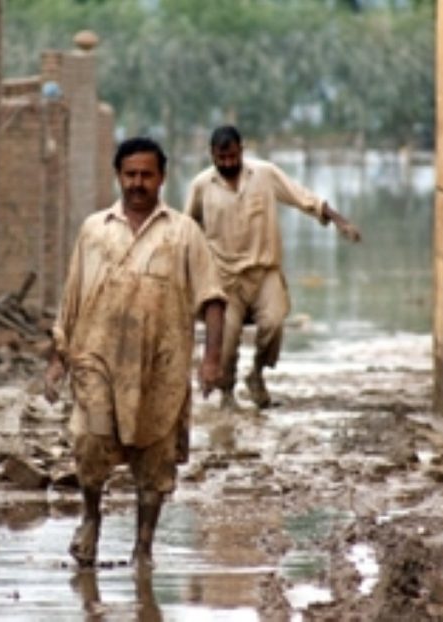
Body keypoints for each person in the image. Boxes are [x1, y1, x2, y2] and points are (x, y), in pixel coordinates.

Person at [44, 137, 227, 568]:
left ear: (162, 178)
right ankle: (91, 519)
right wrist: (58, 358)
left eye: (147, 175)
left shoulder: (184, 233)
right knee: (91, 441)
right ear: (118, 177)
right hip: (97, 359)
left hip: (160, 364)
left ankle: (144, 546)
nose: (138, 183)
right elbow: (71, 298)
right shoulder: (94, 229)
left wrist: (212, 358)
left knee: (156, 457)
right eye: (131, 175)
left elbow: (213, 299)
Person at [184, 125, 361, 410]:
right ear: (212, 155)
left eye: (232, 157)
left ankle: (257, 373)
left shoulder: (264, 174)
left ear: (242, 151)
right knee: (225, 341)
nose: (228, 164)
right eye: (221, 158)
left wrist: (340, 221)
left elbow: (303, 197)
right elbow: (187, 228)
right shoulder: (201, 186)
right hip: (224, 278)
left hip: (264, 271)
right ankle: (227, 394)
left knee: (274, 323)